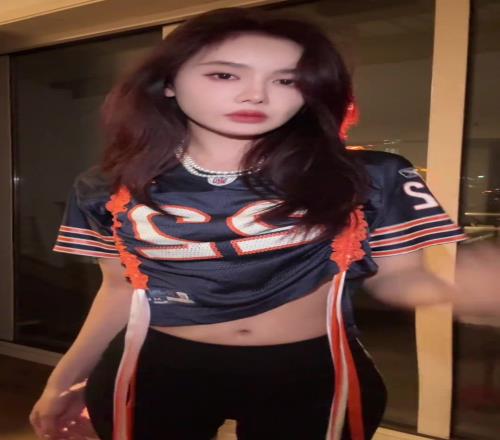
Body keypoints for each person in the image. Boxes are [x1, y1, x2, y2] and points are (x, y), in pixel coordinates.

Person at [28, 6, 500, 440]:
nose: (255, 94)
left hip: (313, 371)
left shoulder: (367, 174)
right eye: (224, 74)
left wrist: (459, 291)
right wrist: (60, 382)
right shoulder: (109, 185)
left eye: (286, 80)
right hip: (156, 366)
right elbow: (118, 290)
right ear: (169, 83)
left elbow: (403, 277)